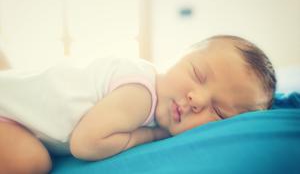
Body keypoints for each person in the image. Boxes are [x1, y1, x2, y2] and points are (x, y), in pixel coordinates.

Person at [0, 35, 276, 173]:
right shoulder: (140, 94)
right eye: (198, 74)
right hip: (8, 112)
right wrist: (149, 135)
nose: (197, 99)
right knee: (31, 162)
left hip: (20, 107)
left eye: (218, 111)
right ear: (178, 56)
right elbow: (85, 144)